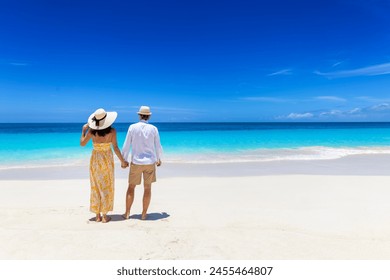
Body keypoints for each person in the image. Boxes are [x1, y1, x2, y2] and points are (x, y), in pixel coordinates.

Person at [80, 108, 128, 223]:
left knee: (95, 185)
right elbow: (115, 148)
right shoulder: (112, 132)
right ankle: (105, 216)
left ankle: (97, 215)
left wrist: (83, 131)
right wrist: (123, 161)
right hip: (107, 160)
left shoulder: (92, 132)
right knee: (107, 185)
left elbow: (82, 144)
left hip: (95, 160)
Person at [122, 106, 163, 220]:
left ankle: (127, 213)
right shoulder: (154, 129)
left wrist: (124, 160)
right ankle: (144, 214)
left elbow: (126, 145)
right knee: (147, 188)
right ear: (149, 116)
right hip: (150, 162)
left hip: (136, 162)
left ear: (139, 115)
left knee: (131, 187)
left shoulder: (132, 127)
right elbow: (158, 145)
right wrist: (159, 158)